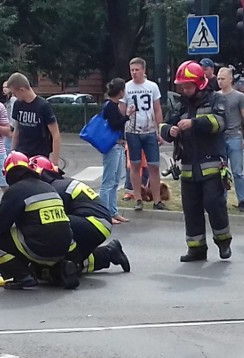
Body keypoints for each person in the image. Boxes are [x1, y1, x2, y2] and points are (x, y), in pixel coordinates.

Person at [159, 60, 231, 262]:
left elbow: (220, 122)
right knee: (191, 209)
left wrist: (194, 123)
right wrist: (169, 131)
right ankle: (196, 249)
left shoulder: (215, 99)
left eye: (187, 85)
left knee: (214, 204)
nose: (184, 89)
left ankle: (223, 242)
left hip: (211, 165)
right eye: (182, 85)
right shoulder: (180, 104)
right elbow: (163, 125)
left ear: (199, 83)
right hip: (189, 166)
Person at [0, 152, 79, 290]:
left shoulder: (15, 191)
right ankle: (60, 269)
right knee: (35, 233)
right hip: (65, 247)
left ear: (6, 173)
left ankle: (21, 276)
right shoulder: (48, 186)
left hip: (40, 248)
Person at [30, 156, 130, 274]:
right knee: (71, 264)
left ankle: (74, 263)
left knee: (55, 227)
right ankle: (110, 253)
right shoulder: (61, 182)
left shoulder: (53, 189)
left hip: (93, 222)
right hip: (98, 222)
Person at [123, 57, 166, 211]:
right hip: (132, 131)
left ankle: (157, 200)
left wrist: (158, 129)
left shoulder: (152, 87)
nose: (134, 73)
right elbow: (121, 110)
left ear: (143, 70)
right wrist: (127, 114)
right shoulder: (126, 87)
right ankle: (138, 198)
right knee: (134, 165)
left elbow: (157, 109)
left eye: (137, 70)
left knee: (154, 165)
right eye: (132, 70)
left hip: (149, 131)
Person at [6, 72, 61, 164]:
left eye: (15, 93)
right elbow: (17, 130)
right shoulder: (18, 104)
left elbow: (55, 134)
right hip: (22, 153)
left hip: (40, 155)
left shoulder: (43, 106)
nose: (14, 96)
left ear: (22, 90)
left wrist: (54, 162)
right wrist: (13, 152)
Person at [217, 67, 244, 211]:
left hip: (235, 136)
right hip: (219, 138)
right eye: (218, 79)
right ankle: (222, 200)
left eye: (223, 79)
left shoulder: (239, 97)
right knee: (221, 171)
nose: (220, 81)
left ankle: (241, 200)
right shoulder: (215, 96)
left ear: (230, 79)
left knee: (237, 171)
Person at [100, 78, 133, 224]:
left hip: (118, 145)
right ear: (120, 92)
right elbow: (114, 125)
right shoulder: (110, 106)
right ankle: (104, 213)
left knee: (115, 181)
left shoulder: (114, 105)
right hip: (112, 146)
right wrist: (127, 116)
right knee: (108, 181)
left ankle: (113, 211)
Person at [2, 80, 17, 154]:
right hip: (8, 127)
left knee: (7, 148)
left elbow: (13, 114)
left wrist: (11, 127)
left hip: (11, 128)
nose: (4, 89)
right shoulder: (8, 99)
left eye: (7, 87)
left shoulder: (13, 99)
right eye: (3, 87)